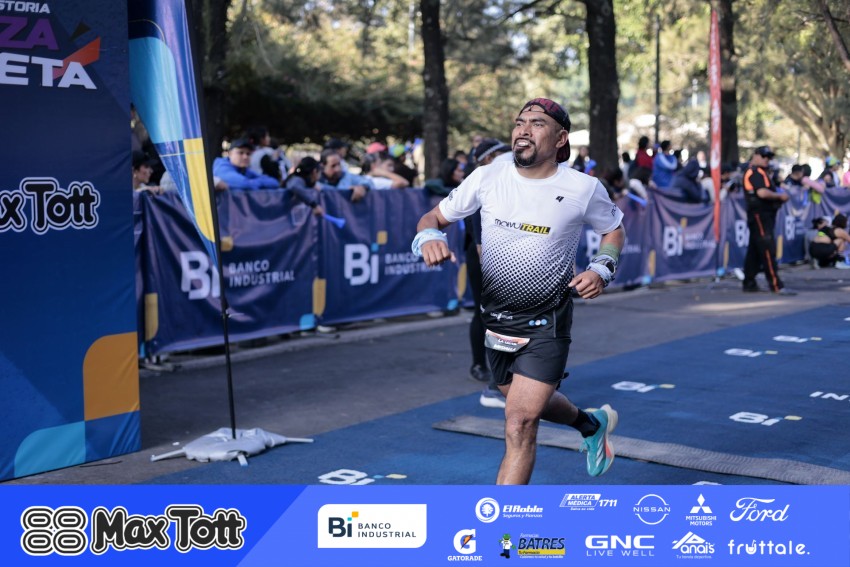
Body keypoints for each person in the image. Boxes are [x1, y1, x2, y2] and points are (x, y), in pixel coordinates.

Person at [412, 97, 624, 484]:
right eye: (519, 122)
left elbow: (613, 230)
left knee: (520, 422)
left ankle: (504, 519)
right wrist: (428, 238)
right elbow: (433, 218)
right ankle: (591, 424)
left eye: (537, 123)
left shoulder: (582, 188)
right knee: (521, 401)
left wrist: (602, 267)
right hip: (496, 321)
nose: (523, 130)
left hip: (547, 321)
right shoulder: (488, 176)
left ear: (561, 139)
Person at [465, 139, 512, 409]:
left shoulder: (508, 173)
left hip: (502, 250)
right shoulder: (485, 176)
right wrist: (482, 247)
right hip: (484, 252)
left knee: (504, 314)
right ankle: (486, 371)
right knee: (488, 312)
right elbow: (474, 212)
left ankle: (500, 379)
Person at [741, 146, 795, 295]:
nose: (767, 160)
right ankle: (776, 285)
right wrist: (780, 196)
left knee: (754, 250)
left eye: (769, 157)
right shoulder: (754, 172)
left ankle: (749, 282)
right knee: (767, 248)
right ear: (756, 155)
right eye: (764, 156)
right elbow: (762, 193)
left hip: (764, 215)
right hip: (760, 215)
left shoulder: (762, 172)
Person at [212, 138, 282, 190]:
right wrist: (253, 183)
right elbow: (243, 184)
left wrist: (251, 182)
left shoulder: (244, 170)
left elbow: (274, 182)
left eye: (248, 154)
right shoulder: (221, 166)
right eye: (240, 153)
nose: (245, 157)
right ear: (230, 154)